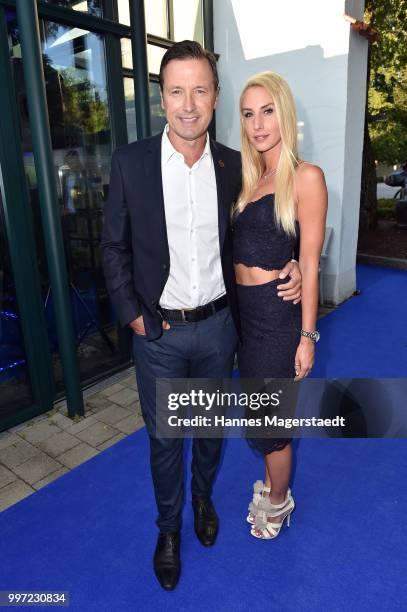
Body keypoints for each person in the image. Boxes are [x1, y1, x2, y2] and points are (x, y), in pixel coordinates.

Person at [101, 42, 301, 590]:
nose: (188, 104)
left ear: (214, 97)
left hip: (219, 330)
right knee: (165, 441)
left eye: (200, 90)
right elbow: (112, 248)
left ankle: (204, 501)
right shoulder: (131, 162)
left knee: (209, 432)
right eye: (176, 91)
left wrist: (298, 264)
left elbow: (279, 212)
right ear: (162, 98)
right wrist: (134, 317)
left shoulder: (235, 166)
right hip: (158, 332)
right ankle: (168, 529)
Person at [233, 71, 327, 539]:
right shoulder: (249, 178)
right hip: (243, 318)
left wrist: (308, 336)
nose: (257, 124)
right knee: (258, 412)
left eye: (267, 111)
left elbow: (309, 262)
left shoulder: (305, 176)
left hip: (276, 318)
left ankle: (278, 499)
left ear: (284, 113)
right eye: (249, 114)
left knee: (270, 425)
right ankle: (272, 483)